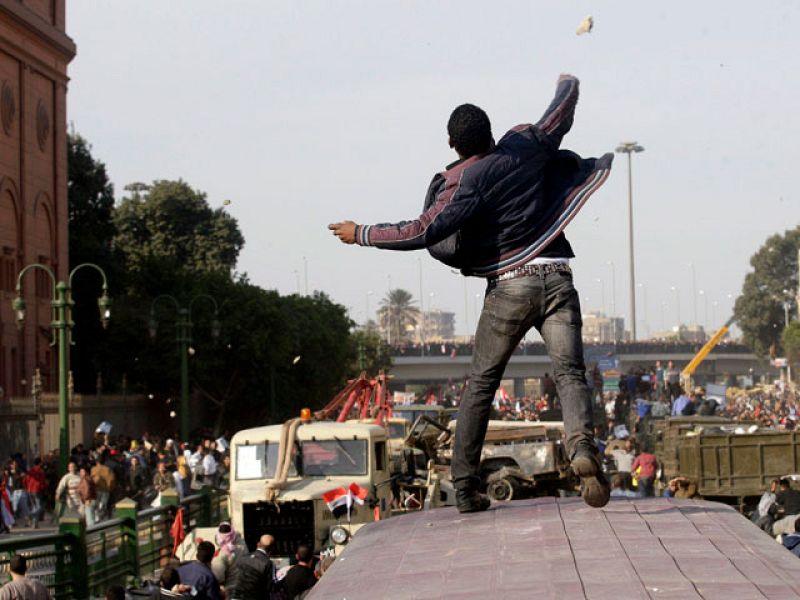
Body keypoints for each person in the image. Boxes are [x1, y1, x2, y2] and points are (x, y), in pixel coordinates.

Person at [329, 73, 613, 511]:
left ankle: (465, 488)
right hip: (558, 275)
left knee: (481, 384)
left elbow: (421, 230)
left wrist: (361, 233)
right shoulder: (525, 144)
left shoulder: (464, 181)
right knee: (570, 374)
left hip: (511, 286)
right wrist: (567, 84)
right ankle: (581, 449)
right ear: (491, 131)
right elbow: (559, 114)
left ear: (452, 144)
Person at [230, 534, 275, 599]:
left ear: (258, 544)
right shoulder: (268, 563)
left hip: (235, 596)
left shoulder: (243, 558)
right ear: (272, 549)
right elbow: (270, 587)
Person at [210, 521, 247, 587]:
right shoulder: (242, 542)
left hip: (230, 586)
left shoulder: (222, 554)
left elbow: (219, 577)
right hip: (243, 582)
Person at [91, 454, 116, 522]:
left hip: (96, 489)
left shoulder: (93, 469)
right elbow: (111, 479)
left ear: (96, 462)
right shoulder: (107, 469)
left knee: (96, 503)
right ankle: (101, 516)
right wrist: (110, 488)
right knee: (103, 503)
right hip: (105, 489)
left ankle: (97, 517)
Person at [24, 458, 48, 528]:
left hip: (29, 490)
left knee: (34, 507)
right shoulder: (40, 471)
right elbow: (42, 481)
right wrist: (44, 488)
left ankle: (35, 524)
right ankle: (30, 515)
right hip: (37, 490)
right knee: (39, 507)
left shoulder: (30, 471)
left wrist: (27, 487)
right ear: (40, 463)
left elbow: (25, 480)